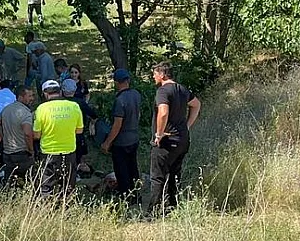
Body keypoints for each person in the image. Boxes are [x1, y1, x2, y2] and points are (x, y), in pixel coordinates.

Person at [146, 62, 202, 216]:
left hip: (167, 141)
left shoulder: (163, 91)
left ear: (162, 74)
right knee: (174, 174)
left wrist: (159, 133)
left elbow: (163, 113)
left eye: (155, 73)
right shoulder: (182, 89)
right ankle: (172, 208)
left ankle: (153, 213)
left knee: (157, 176)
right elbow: (196, 105)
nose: (153, 76)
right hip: (182, 140)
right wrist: (187, 125)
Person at [32, 80, 84, 199]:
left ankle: (47, 211)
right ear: (60, 91)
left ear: (45, 94)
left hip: (49, 153)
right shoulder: (74, 106)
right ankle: (66, 210)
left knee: (46, 186)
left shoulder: (41, 109)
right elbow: (79, 131)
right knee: (68, 186)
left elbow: (36, 135)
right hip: (69, 152)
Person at [101, 69, 142, 202]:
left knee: (122, 170)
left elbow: (117, 124)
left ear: (116, 83)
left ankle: (126, 197)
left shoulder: (119, 100)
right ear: (128, 80)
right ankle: (137, 195)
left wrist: (107, 142)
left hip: (121, 141)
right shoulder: (136, 94)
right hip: (134, 137)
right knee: (133, 167)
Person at [0, 85, 36, 188]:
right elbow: (27, 133)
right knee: (26, 183)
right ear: (21, 97)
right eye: (30, 96)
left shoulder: (7, 109)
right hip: (22, 153)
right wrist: (31, 150)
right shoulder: (25, 113)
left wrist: (2, 137)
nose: (32, 98)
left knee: (10, 183)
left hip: (7, 153)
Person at [61, 78, 97, 173]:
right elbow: (93, 114)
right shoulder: (80, 102)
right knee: (78, 154)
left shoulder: (58, 103)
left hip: (62, 133)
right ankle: (75, 172)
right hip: (78, 132)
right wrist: (92, 124)